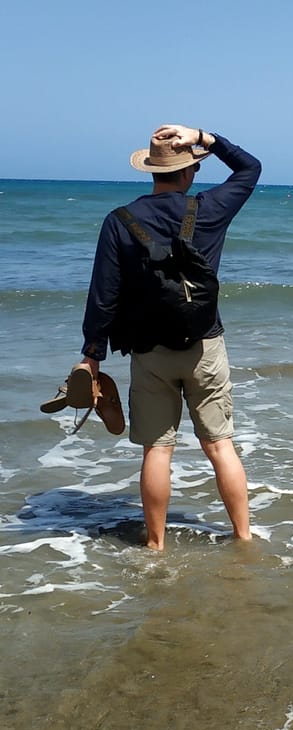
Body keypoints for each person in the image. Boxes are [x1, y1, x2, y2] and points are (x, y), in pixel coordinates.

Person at [78, 124, 261, 550]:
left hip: (150, 351)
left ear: (152, 171)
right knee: (220, 446)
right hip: (204, 346)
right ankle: (244, 537)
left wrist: (92, 355)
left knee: (157, 451)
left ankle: (155, 545)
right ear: (189, 171)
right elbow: (249, 169)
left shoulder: (120, 221)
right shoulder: (210, 209)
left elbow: (104, 293)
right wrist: (205, 137)